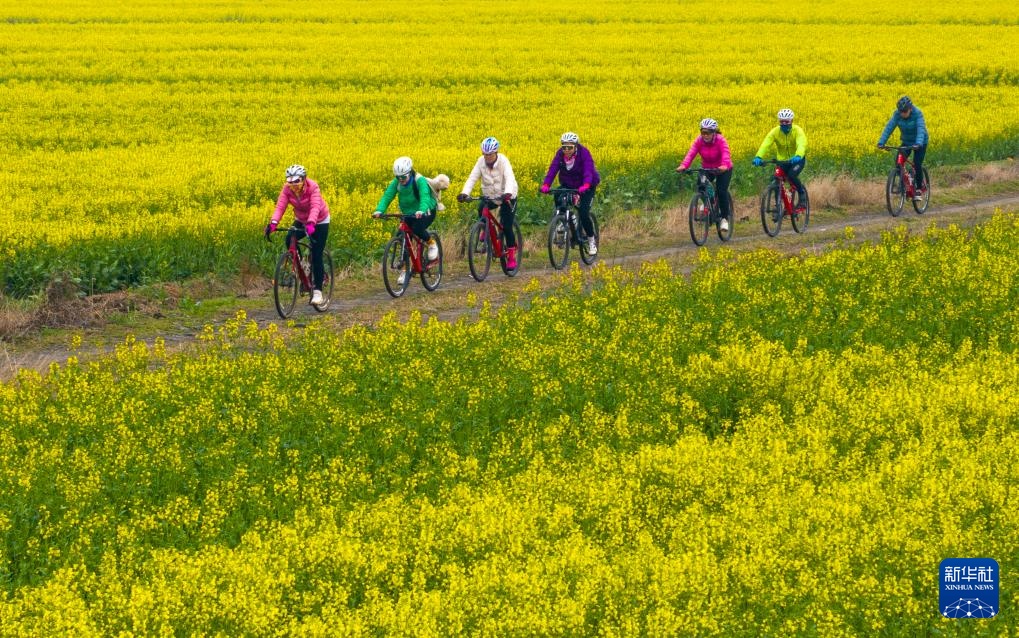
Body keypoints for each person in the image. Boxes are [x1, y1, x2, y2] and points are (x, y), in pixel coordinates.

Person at [264, 164, 330, 307]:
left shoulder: (313, 187)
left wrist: (312, 223)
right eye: (290, 181)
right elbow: (280, 206)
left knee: (317, 253)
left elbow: (315, 206)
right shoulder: (287, 189)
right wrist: (273, 223)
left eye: (297, 181)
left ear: (304, 179)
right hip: (301, 219)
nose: (293, 185)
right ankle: (302, 266)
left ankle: (318, 291)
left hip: (319, 220)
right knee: (289, 239)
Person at [372, 156, 438, 286]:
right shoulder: (396, 183)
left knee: (418, 229)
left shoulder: (419, 180)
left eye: (403, 177)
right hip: (408, 213)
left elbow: (424, 196)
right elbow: (387, 196)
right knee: (402, 237)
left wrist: (422, 209)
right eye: (398, 177)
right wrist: (379, 210)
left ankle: (431, 243)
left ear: (410, 172)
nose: (401, 180)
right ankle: (404, 270)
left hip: (426, 210)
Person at [456, 137, 521, 269]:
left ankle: (511, 256)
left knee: (507, 226)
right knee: (481, 209)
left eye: (490, 154)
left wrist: (508, 193)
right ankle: (486, 229)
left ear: (496, 152)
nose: (487, 157)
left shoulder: (503, 161)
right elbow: (472, 178)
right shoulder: (481, 162)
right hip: (490, 195)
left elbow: (509, 177)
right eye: (485, 154)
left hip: (507, 196)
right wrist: (465, 193)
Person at [540, 132, 601, 255]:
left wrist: (586, 185)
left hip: (587, 185)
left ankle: (591, 241)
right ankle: (562, 220)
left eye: (570, 147)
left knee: (584, 213)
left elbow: (588, 170)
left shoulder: (584, 153)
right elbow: (553, 169)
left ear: (576, 146)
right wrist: (546, 184)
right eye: (564, 147)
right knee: (558, 194)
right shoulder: (560, 154)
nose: (566, 150)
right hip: (569, 184)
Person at [676, 118, 734, 232]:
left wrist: (724, 165)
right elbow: (691, 153)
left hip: (723, 168)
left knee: (721, 191)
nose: (705, 135)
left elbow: (726, 153)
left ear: (714, 132)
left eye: (708, 133)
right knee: (701, 184)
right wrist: (684, 165)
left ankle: (724, 219)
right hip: (707, 168)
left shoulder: (721, 140)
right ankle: (707, 202)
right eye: (703, 132)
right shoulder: (699, 141)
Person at [753, 108, 808, 209]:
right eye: (781, 121)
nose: (784, 124)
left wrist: (798, 155)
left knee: (792, 175)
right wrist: (758, 156)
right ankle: (778, 205)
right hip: (782, 161)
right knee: (776, 178)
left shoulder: (797, 131)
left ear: (792, 121)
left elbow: (801, 144)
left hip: (797, 160)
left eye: (786, 121)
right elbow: (766, 144)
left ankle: (801, 193)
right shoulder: (775, 132)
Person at [877, 95, 929, 199]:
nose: (902, 114)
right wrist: (881, 142)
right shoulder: (897, 115)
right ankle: (902, 183)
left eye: (905, 111)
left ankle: (919, 188)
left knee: (917, 164)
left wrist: (918, 143)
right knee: (898, 162)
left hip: (920, 142)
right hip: (906, 142)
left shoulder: (917, 114)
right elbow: (889, 128)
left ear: (910, 108)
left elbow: (920, 129)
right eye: (901, 111)